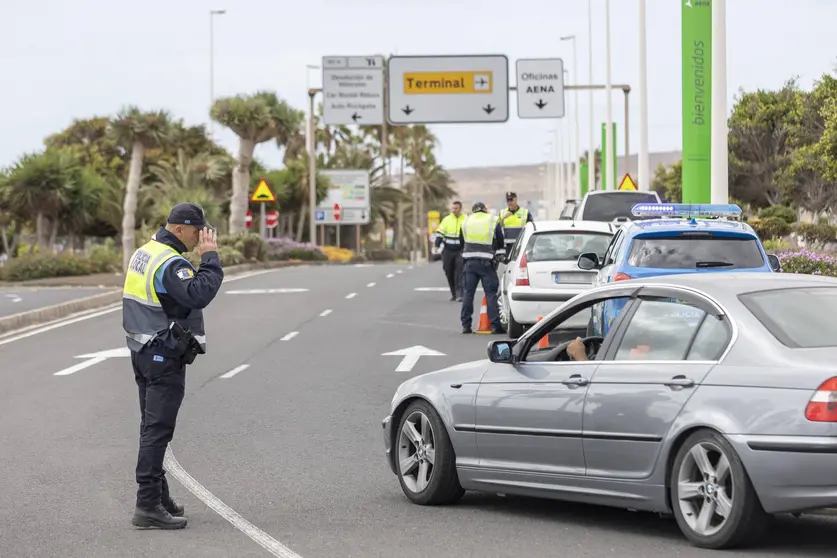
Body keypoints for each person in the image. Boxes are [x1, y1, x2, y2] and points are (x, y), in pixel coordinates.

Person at [123, 203, 224, 529]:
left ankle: (158, 496)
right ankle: (148, 504)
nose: (200, 237)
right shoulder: (170, 261)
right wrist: (210, 258)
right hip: (161, 355)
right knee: (157, 431)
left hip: (142, 349)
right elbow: (198, 294)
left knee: (151, 428)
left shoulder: (146, 251)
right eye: (197, 232)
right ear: (180, 229)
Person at [459, 201, 506, 334]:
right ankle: (496, 326)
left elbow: (462, 241)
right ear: (485, 209)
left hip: (470, 263)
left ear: (474, 211)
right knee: (490, 294)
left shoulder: (466, 221)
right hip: (486, 263)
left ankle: (466, 325)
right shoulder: (492, 219)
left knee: (468, 293)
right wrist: (499, 255)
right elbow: (500, 241)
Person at [434, 200, 467, 301]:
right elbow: (440, 234)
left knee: (460, 272)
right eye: (453, 208)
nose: (454, 210)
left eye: (456, 208)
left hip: (460, 250)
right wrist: (437, 245)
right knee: (449, 271)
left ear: (460, 209)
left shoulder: (466, 219)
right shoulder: (447, 220)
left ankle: (459, 294)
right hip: (448, 250)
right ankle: (453, 293)